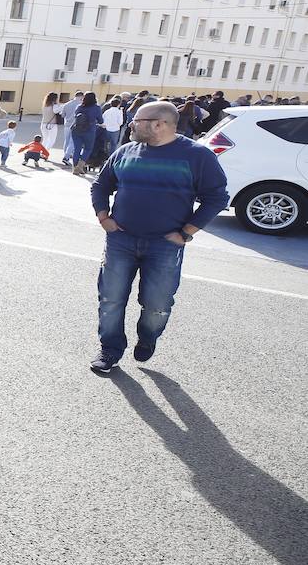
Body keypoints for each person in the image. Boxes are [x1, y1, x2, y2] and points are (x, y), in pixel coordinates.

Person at [89, 100, 229, 375]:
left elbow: (217, 197)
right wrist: (103, 216)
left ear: (159, 124)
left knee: (157, 304)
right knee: (111, 299)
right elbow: (101, 185)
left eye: (137, 120)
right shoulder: (126, 151)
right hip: (121, 240)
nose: (131, 124)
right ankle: (110, 348)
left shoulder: (197, 156)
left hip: (164, 245)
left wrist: (186, 232)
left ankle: (148, 336)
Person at [69, 93, 103, 175]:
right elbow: (101, 121)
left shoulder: (79, 107)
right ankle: (80, 166)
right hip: (89, 131)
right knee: (88, 149)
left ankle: (75, 167)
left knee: (77, 148)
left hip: (76, 130)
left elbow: (75, 116)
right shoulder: (97, 108)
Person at [59, 92, 83, 164]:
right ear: (81, 96)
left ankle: (66, 154)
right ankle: (66, 156)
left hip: (67, 124)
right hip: (75, 125)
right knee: (72, 142)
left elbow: (62, 115)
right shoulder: (81, 105)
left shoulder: (67, 104)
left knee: (66, 141)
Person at [99, 97, 124, 161]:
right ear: (118, 104)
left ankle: (104, 157)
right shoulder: (119, 112)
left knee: (105, 144)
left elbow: (102, 120)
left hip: (106, 129)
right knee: (113, 145)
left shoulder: (107, 111)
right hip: (115, 130)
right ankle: (111, 158)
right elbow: (120, 122)